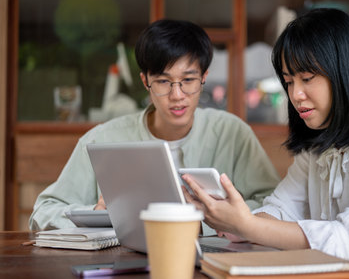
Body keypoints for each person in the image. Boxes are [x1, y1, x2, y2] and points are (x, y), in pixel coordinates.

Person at [182, 8, 349, 279]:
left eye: (307, 79)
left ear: (345, 71)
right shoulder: (321, 141)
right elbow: (281, 209)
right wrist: (231, 221)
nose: (295, 94)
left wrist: (248, 226)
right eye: (289, 81)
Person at [29, 19, 280, 234]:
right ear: (145, 80)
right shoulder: (101, 139)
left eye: (188, 80)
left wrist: (214, 217)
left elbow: (273, 206)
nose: (177, 95)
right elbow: (43, 212)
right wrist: (96, 215)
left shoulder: (232, 133)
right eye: (163, 81)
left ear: (204, 78)